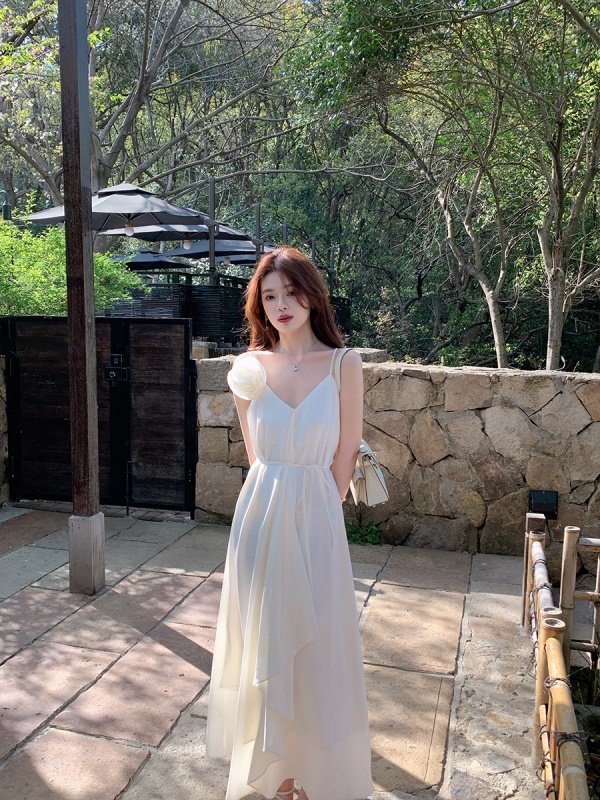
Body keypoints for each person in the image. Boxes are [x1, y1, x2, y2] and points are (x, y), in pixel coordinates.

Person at [206, 247, 373, 800]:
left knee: (318, 646)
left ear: (312, 295)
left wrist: (319, 507)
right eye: (270, 295)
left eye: (292, 292)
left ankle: (315, 773)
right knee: (265, 641)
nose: (282, 305)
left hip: (318, 516)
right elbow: (255, 453)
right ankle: (277, 777)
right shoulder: (247, 368)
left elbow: (346, 451)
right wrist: (281, 503)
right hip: (261, 517)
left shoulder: (345, 364)